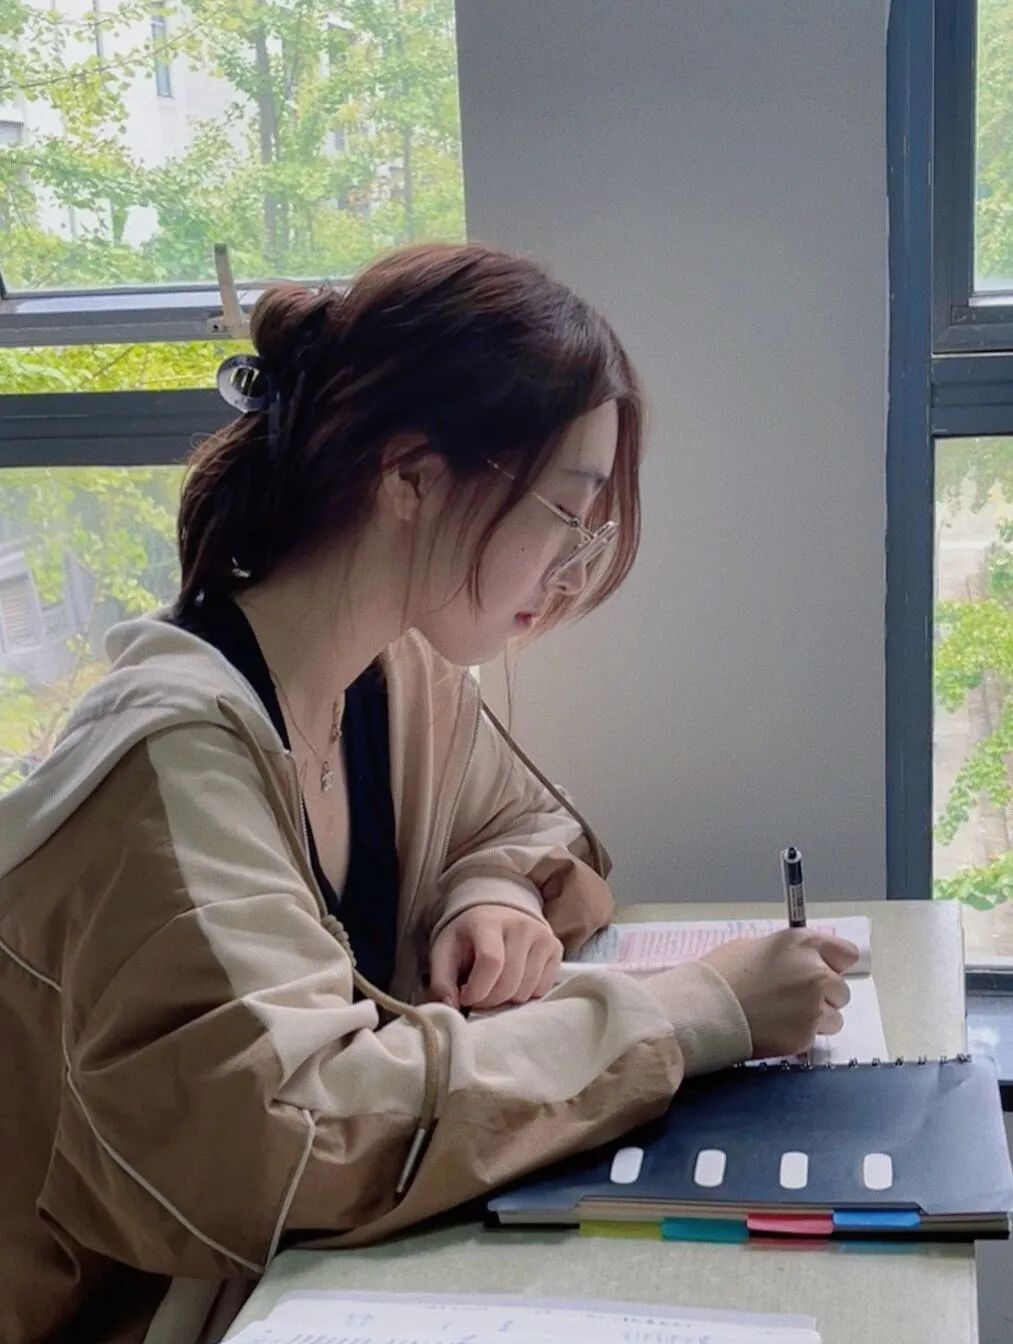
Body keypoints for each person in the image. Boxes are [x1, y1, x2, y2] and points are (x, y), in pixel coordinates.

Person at [0, 242, 858, 1344]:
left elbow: (528, 822)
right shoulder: (171, 760)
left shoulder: (391, 674)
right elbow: (295, 1129)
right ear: (408, 478)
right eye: (565, 512)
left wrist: (487, 890)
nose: (571, 566)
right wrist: (693, 1012)